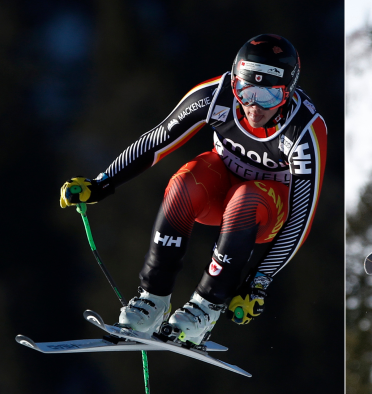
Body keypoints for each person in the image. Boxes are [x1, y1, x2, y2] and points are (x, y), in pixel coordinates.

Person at [59, 34, 328, 346]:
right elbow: (158, 140)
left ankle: (206, 307)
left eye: (269, 97)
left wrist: (258, 281)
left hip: (266, 212)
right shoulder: (217, 95)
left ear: (288, 93)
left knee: (246, 197)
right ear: (235, 81)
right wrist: (102, 184)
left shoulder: (304, 130)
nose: (254, 106)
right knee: (184, 183)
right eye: (246, 91)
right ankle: (153, 299)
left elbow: (301, 218)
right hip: (219, 191)